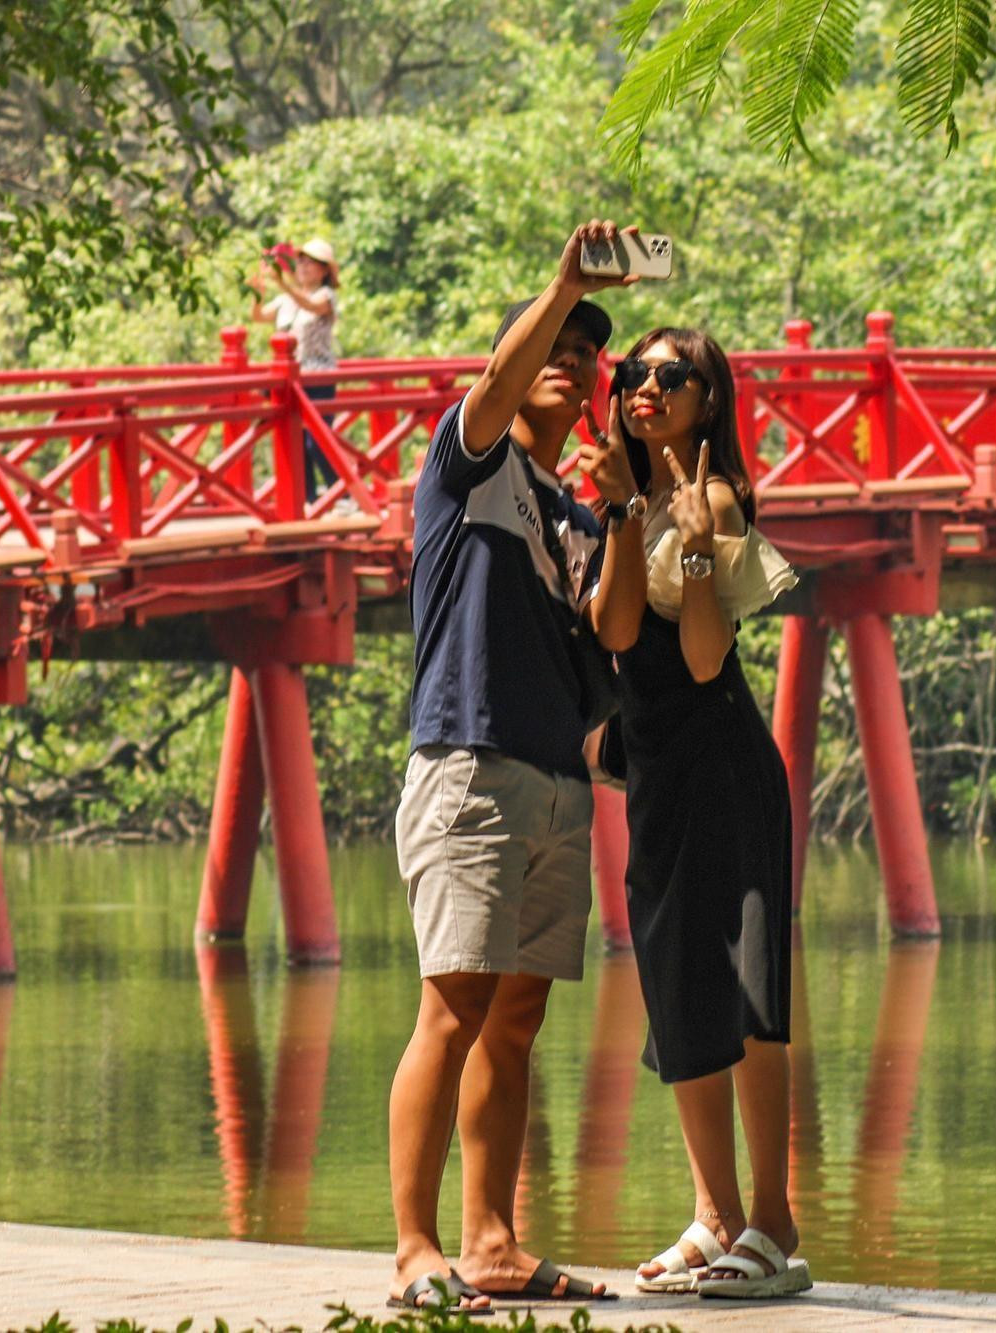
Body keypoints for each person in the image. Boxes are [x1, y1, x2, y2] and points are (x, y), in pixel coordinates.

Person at [386, 221, 648, 1314]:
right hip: (468, 761)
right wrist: (562, 283)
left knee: (519, 1013)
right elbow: (498, 376)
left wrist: (628, 500)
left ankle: (491, 1241)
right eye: (557, 344)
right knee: (451, 1005)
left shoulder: (571, 513)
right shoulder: (470, 467)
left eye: (588, 357)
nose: (572, 360)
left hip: (553, 779)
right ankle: (414, 1252)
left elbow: (620, 625)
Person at [591, 326, 810, 1300]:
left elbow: (703, 659)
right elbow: (614, 630)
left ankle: (770, 1220)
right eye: (631, 374)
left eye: (668, 376)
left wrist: (686, 545)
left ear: (705, 399)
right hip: (661, 775)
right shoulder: (628, 503)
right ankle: (712, 1213)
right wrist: (617, 519)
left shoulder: (713, 498)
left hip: (721, 766)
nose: (645, 387)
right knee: (678, 989)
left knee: (746, 994)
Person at [248, 238, 342, 504]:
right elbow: (258, 317)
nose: (304, 267)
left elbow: (311, 306)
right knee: (297, 443)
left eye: (311, 262)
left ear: (324, 270)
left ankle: (342, 493)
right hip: (293, 381)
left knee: (318, 440)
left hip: (320, 376)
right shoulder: (284, 300)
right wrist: (258, 290)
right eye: (301, 261)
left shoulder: (326, 297)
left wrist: (282, 284)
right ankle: (308, 499)